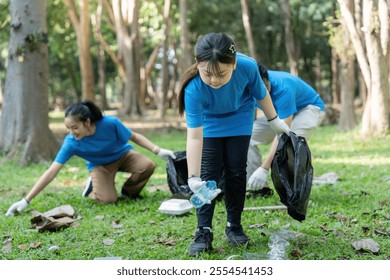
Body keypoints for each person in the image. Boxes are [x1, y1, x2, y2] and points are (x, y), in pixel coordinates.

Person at [178, 32, 290, 256]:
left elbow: (261, 95)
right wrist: (193, 177)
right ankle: (203, 231)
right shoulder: (194, 89)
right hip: (209, 125)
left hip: (239, 118)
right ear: (198, 64)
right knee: (208, 177)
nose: (214, 80)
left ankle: (234, 226)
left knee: (237, 173)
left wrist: (275, 121)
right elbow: (194, 137)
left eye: (221, 73)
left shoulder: (247, 67)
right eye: (207, 73)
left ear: (234, 63)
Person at [6, 100, 176, 216]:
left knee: (147, 165)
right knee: (108, 200)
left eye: (74, 127)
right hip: (99, 166)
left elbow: (135, 137)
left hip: (123, 155)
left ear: (87, 122)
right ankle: (91, 189)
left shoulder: (110, 124)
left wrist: (158, 150)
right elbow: (52, 172)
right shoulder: (71, 143)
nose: (71, 132)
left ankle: (128, 193)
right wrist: (26, 200)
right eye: (68, 128)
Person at [246, 62, 325, 192]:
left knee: (291, 142)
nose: (261, 93)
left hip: (308, 108)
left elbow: (282, 134)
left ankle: (296, 191)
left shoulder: (283, 88)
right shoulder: (248, 86)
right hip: (278, 112)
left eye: (265, 87)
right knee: (246, 137)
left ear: (268, 80)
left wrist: (264, 168)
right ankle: (258, 187)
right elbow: (251, 112)